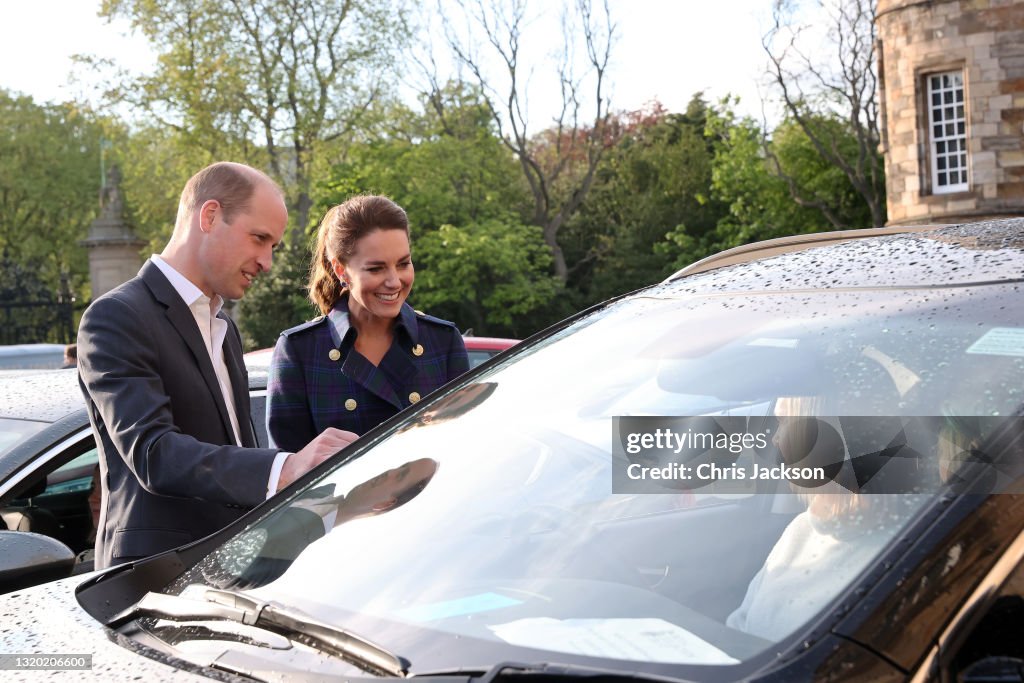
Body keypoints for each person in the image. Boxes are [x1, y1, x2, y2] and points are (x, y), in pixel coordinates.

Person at [77, 161, 357, 570]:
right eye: (259, 239)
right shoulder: (117, 316)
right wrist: (285, 467)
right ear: (209, 216)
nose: (266, 262)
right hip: (150, 580)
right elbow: (154, 454)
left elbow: (236, 452)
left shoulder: (222, 326)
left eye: (273, 247)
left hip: (230, 572)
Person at [267, 195, 469, 452]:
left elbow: (464, 448)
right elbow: (290, 469)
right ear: (341, 271)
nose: (394, 281)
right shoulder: (300, 350)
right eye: (376, 269)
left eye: (403, 264)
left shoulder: (441, 341)